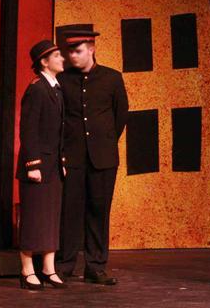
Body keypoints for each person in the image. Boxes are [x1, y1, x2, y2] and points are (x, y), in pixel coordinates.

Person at [56, 29, 128, 285]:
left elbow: (120, 116)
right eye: (70, 52)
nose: (73, 56)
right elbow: (60, 118)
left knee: (99, 211)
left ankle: (96, 266)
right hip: (72, 156)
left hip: (103, 157)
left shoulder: (111, 78)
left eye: (78, 51)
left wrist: (104, 142)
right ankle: (64, 265)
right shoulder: (63, 80)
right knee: (70, 212)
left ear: (91, 49)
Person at [16, 39, 67, 290]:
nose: (62, 59)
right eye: (57, 56)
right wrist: (32, 163)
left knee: (51, 218)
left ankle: (48, 268)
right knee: (34, 218)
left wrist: (62, 160)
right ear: (44, 62)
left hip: (53, 165)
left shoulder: (56, 89)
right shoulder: (36, 89)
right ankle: (27, 270)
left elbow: (59, 131)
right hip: (37, 165)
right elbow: (29, 129)